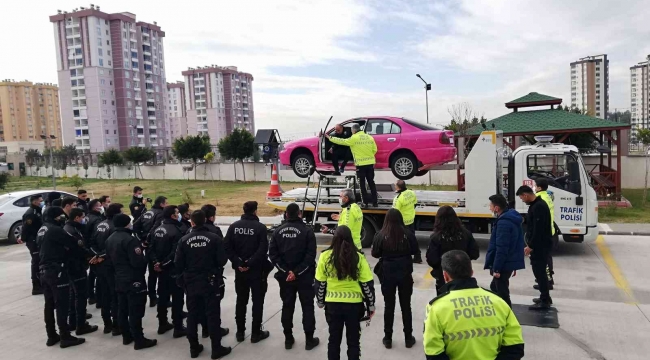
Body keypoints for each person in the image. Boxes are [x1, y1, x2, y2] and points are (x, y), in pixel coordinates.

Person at [423, 250, 524, 360]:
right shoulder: (498, 302)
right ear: (472, 272)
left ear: (446, 276)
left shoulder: (437, 308)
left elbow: (433, 354)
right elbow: (515, 347)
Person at [175, 210, 232, 359]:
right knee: (212, 314)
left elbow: (178, 263)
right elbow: (222, 260)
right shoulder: (214, 238)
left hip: (191, 281)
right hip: (210, 280)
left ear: (192, 223)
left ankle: (194, 347)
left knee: (193, 314)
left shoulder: (184, 240)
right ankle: (216, 348)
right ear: (205, 220)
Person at [315, 226, 376, 360]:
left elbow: (320, 282)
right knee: (354, 342)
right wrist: (371, 305)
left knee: (334, 341)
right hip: (354, 307)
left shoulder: (325, 256)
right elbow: (367, 284)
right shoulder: (358, 257)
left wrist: (320, 301)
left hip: (332, 306)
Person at [269, 203, 319, 351]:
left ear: (286, 215)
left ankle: (288, 339)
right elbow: (310, 256)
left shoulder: (277, 232)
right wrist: (297, 272)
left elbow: (273, 256)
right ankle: (309, 340)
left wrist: (287, 272)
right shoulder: (307, 231)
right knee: (307, 307)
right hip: (304, 277)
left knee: (287, 306)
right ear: (300, 214)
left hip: (285, 278)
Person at [106, 213, 158, 350]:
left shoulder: (110, 239)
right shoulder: (130, 240)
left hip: (118, 278)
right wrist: (146, 259)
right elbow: (137, 262)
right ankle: (139, 339)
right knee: (135, 310)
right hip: (133, 279)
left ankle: (126, 336)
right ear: (126, 224)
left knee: (122, 309)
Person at [37, 206, 87, 348]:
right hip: (56, 270)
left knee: (49, 304)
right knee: (62, 304)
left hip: (43, 271)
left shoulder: (42, 229)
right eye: (61, 216)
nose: (63, 218)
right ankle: (65, 336)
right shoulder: (56, 230)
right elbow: (73, 246)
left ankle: (51, 335)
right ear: (56, 217)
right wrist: (88, 255)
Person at [371, 209, 419, 349]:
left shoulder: (380, 235)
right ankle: (408, 338)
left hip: (387, 273)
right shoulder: (408, 234)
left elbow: (375, 253)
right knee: (406, 306)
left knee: (389, 306)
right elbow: (415, 250)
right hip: (405, 272)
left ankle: (388, 338)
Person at [224, 201, 272, 344]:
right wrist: (250, 263)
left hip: (240, 272)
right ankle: (256, 333)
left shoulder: (234, 227)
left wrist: (239, 262)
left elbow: (227, 247)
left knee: (241, 301)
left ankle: (240, 332)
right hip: (257, 271)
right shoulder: (260, 228)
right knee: (257, 302)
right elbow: (263, 249)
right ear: (255, 211)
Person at [149, 205, 187, 338]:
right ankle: (178, 327)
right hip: (172, 270)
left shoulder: (157, 229)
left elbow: (151, 249)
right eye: (177, 213)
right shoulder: (177, 230)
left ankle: (162, 323)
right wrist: (164, 264)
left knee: (163, 297)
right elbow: (175, 253)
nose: (179, 214)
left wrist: (156, 263)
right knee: (177, 298)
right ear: (173, 215)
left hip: (160, 270)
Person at [484, 194, 525, 308]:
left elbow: (501, 248)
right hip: (509, 262)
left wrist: (497, 268)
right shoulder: (511, 218)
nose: (490, 208)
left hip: (504, 263)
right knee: (495, 287)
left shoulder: (503, 223)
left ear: (497, 208)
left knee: (502, 292)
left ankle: (506, 314)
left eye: (491, 206)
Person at [426, 206, 479, 294]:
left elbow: (432, 260)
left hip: (444, 277)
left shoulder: (436, 237)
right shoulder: (466, 234)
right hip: (464, 275)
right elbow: (475, 253)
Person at [516, 185, 553, 310]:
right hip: (540, 245)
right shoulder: (536, 205)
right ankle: (545, 297)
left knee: (540, 273)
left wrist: (530, 246)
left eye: (522, 198)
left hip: (540, 246)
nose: (522, 200)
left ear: (526, 195)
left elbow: (538, 229)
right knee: (539, 272)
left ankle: (545, 301)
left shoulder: (539, 207)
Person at [63, 207, 98, 335]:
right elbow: (80, 249)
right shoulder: (73, 231)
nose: (84, 220)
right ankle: (81, 325)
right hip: (76, 267)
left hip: (73, 267)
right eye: (82, 217)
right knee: (81, 296)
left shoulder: (69, 228)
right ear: (77, 218)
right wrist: (93, 256)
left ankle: (73, 321)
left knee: (74, 295)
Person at [326, 123, 378, 208]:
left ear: (354, 130)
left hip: (360, 165)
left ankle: (365, 203)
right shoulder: (370, 137)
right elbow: (375, 150)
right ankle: (375, 203)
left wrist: (329, 137)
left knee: (362, 185)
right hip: (370, 164)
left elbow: (341, 141)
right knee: (371, 183)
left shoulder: (354, 138)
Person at [90, 203, 123, 335]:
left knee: (104, 295)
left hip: (99, 265)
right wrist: (102, 256)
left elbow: (91, 242)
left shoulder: (99, 224)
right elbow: (113, 248)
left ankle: (107, 324)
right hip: (110, 265)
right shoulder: (115, 227)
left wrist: (97, 255)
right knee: (114, 296)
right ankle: (116, 325)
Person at [133, 195, 168, 307]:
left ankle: (152, 297)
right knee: (159, 272)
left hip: (147, 247)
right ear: (162, 204)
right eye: (166, 203)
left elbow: (135, 226)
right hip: (155, 246)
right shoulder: (161, 214)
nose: (167, 205)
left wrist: (141, 240)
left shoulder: (147, 212)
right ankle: (161, 297)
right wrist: (147, 240)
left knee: (151, 274)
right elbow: (155, 229)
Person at [19, 194, 44, 295]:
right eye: (40, 201)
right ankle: (36, 286)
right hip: (32, 241)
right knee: (36, 262)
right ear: (34, 201)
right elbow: (26, 228)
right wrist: (23, 238)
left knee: (38, 261)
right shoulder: (30, 213)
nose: (42, 202)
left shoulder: (37, 211)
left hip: (37, 239)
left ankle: (40, 283)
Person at [535, 178, 556, 289]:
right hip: (550, 231)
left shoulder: (540, 198)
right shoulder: (548, 196)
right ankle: (547, 280)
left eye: (535, 186)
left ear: (539, 187)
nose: (534, 188)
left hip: (544, 234)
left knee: (544, 260)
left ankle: (547, 282)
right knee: (547, 258)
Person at [85, 199, 105, 306]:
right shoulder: (97, 220)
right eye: (99, 205)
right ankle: (98, 298)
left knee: (92, 274)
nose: (101, 206)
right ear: (94, 207)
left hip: (87, 248)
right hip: (94, 250)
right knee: (98, 274)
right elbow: (96, 236)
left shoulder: (86, 217)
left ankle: (91, 296)